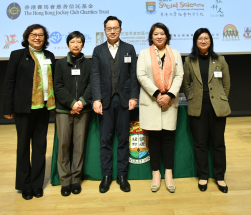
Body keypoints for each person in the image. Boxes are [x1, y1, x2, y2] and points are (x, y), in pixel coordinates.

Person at [2, 24, 56, 200]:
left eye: (41, 35)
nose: (37, 38)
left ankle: (36, 184)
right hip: (24, 109)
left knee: (40, 147)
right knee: (23, 147)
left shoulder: (49, 56)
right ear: (27, 37)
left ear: (45, 38)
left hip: (43, 108)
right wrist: (7, 107)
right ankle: (25, 185)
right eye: (34, 35)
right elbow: (10, 82)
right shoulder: (18, 55)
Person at [91, 16, 139, 193]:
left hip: (125, 100)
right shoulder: (98, 50)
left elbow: (133, 75)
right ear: (104, 30)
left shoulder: (129, 48)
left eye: (115, 28)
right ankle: (106, 176)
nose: (112, 31)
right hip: (105, 101)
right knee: (105, 140)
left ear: (120, 29)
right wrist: (96, 99)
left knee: (123, 139)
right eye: (109, 28)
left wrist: (134, 96)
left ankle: (122, 176)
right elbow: (94, 76)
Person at [182, 28, 231, 193]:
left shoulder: (220, 60)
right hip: (198, 106)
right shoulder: (189, 60)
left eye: (206, 38)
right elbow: (186, 83)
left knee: (218, 143)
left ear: (211, 41)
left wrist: (220, 98)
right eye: (200, 39)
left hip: (217, 107)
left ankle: (220, 176)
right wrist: (192, 98)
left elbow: (226, 83)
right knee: (200, 143)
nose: (203, 41)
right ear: (195, 41)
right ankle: (203, 175)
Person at [137, 22, 184, 193]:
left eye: (162, 33)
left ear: (167, 36)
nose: (159, 36)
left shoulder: (176, 54)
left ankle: (169, 174)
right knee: (155, 140)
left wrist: (169, 95)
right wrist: (158, 94)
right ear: (151, 36)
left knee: (168, 139)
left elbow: (180, 75)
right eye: (155, 34)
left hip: (169, 102)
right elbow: (141, 75)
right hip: (152, 101)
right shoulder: (143, 54)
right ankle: (156, 174)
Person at [53, 31, 92, 197]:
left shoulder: (89, 64)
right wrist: (71, 103)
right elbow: (58, 86)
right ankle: (65, 180)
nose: (76, 44)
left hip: (83, 110)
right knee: (63, 146)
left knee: (79, 144)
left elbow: (92, 84)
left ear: (83, 44)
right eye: (72, 42)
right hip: (64, 110)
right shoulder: (61, 63)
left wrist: (81, 102)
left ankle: (76, 178)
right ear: (68, 44)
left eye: (78, 42)